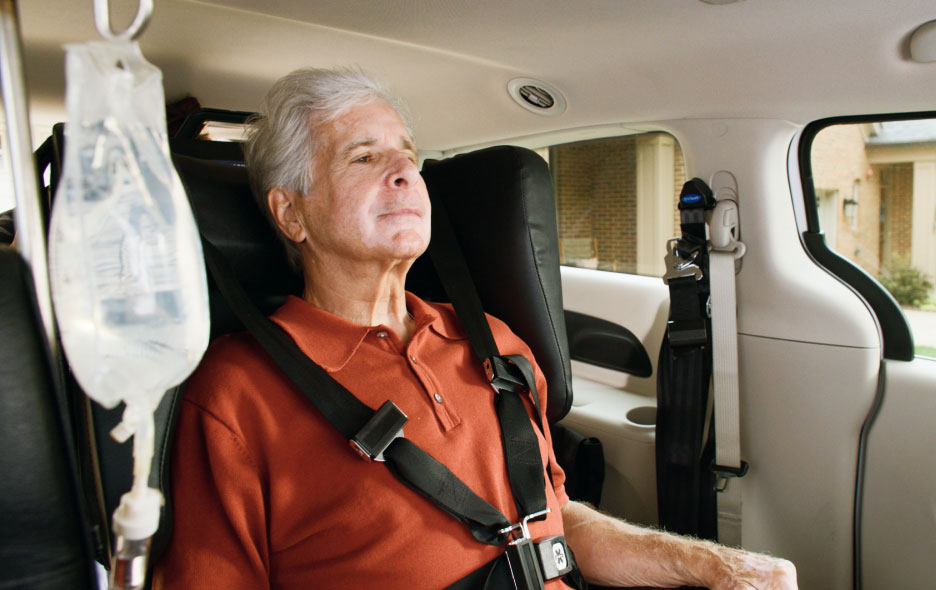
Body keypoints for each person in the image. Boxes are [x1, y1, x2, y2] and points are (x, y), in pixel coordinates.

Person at [154, 67, 797, 590]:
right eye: (364, 157)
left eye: (408, 155)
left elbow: (556, 523)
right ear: (291, 215)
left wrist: (717, 566)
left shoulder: (493, 341)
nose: (405, 171)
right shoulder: (235, 395)